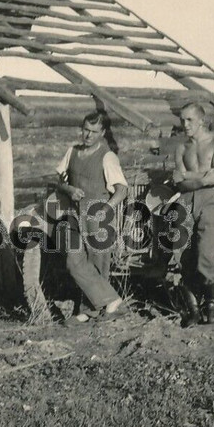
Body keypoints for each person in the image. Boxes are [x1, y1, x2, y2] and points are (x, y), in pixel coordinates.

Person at [50, 111, 130, 325]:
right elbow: (59, 181)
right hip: (75, 214)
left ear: (102, 133)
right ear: (81, 128)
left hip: (98, 215)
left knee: (97, 264)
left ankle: (89, 312)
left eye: (94, 132)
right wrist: (69, 189)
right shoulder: (72, 152)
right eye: (86, 130)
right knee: (73, 262)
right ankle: (112, 300)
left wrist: (106, 209)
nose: (88, 135)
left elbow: (122, 190)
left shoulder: (107, 157)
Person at [168, 102, 214, 325]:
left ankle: (213, 305)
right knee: (183, 254)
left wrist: (190, 175)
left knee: (206, 251)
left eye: (189, 120)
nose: (184, 124)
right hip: (186, 201)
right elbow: (179, 183)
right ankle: (193, 309)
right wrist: (202, 176)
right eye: (181, 120)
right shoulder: (181, 148)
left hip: (210, 200)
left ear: (201, 120)